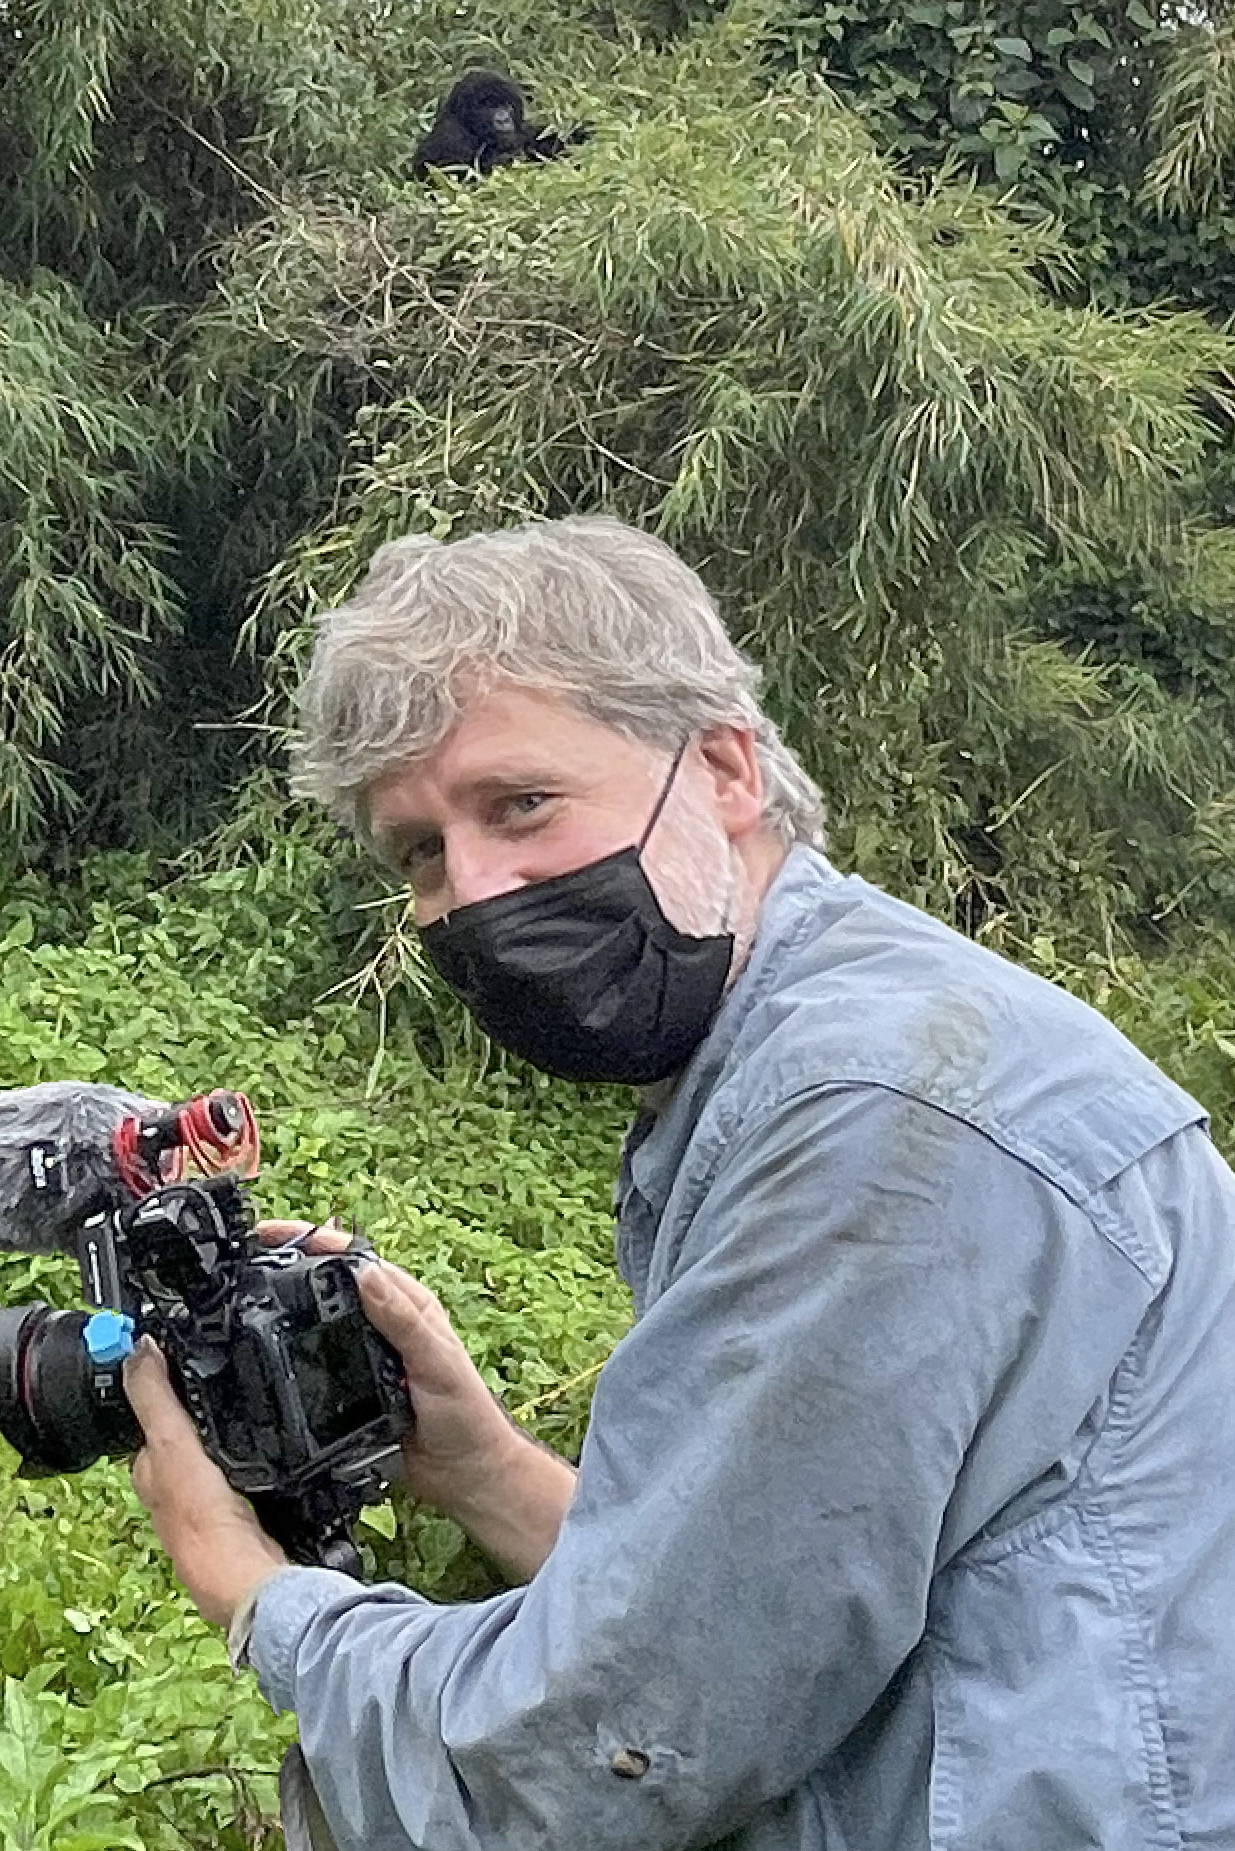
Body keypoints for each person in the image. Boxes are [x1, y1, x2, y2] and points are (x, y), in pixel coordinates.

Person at [123, 516, 1235, 1850]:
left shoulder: (869, 1109)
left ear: (718, 771)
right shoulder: (815, 1046)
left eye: (518, 803)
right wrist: (483, 1470)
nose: (475, 892)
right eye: (418, 852)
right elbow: (773, 1617)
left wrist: (261, 1600)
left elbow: (617, 1749)